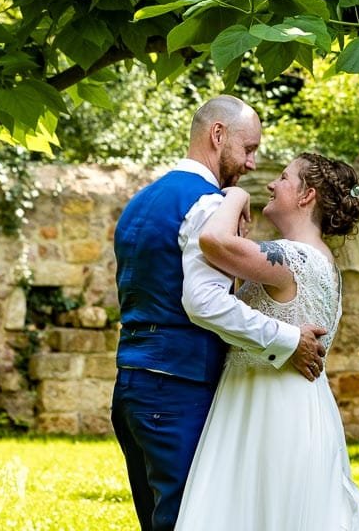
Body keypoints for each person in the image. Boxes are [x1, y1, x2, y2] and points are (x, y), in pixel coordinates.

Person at [110, 96, 328, 531]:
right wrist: (288, 339)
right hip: (177, 388)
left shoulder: (143, 199)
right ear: (217, 135)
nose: (251, 164)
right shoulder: (207, 204)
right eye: (248, 149)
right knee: (188, 519)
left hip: (132, 386)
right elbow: (204, 301)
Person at [176, 152, 359, 530]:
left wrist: (233, 196)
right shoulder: (322, 262)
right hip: (294, 403)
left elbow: (212, 240)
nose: (272, 184)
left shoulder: (294, 259)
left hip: (271, 411)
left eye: (284, 178)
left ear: (307, 196)